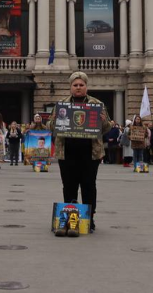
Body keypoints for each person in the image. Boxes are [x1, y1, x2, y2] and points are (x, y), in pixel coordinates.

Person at [49, 72, 111, 233]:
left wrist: (104, 121)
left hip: (90, 153)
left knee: (88, 185)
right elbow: (51, 127)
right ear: (70, 87)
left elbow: (106, 128)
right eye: (75, 85)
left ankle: (89, 218)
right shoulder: (61, 104)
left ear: (86, 86)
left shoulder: (97, 104)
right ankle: (69, 216)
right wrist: (54, 121)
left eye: (81, 85)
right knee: (68, 185)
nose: (78, 88)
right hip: (67, 152)